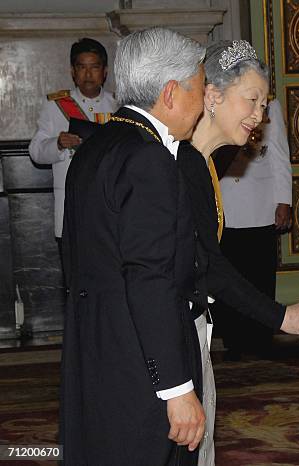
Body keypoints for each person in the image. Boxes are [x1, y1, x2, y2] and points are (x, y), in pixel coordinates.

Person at [61, 28, 207, 466]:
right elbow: (150, 279)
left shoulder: (97, 146)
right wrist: (177, 389)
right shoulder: (149, 158)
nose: (203, 104)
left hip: (97, 350)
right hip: (141, 365)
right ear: (171, 92)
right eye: (200, 89)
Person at [176, 40, 299, 465]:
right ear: (214, 96)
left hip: (190, 328)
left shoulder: (202, 163)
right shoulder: (181, 164)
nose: (260, 115)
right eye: (252, 100)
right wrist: (284, 317)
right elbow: (211, 268)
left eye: (264, 103)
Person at [212, 98, 293, 360]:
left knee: (259, 277)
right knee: (229, 276)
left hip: (259, 206)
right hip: (225, 203)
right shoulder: (216, 101)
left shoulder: (270, 106)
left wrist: (284, 201)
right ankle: (233, 339)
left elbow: (279, 156)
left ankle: (260, 338)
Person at [29, 38, 117, 264]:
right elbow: (36, 151)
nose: (88, 74)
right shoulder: (55, 105)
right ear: (73, 71)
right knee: (73, 279)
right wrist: (57, 144)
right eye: (82, 67)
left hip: (107, 207)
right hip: (72, 205)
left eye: (94, 67)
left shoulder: (117, 106)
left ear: (104, 71)